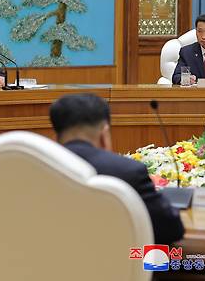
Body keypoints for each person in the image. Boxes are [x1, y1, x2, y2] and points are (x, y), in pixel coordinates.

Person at [50, 93, 185, 244]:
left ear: (56, 138)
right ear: (104, 135)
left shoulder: (37, 173)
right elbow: (172, 230)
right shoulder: (128, 172)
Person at [172, 13, 205, 84]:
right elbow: (176, 77)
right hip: (194, 94)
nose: (203, 36)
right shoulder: (187, 52)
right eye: (199, 31)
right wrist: (186, 79)